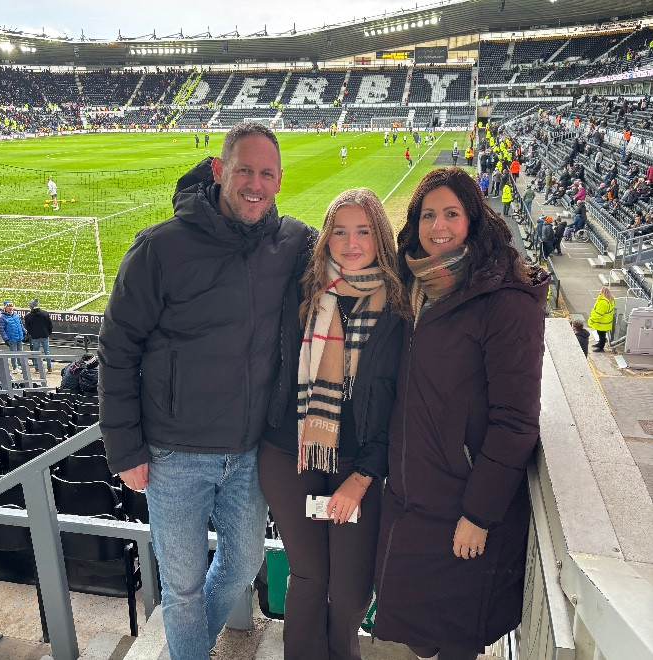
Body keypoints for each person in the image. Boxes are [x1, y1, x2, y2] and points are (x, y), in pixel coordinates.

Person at [98, 123, 315, 660]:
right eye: (245, 170)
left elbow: (355, 244)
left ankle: (187, 648)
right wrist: (124, 449)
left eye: (267, 174)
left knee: (242, 565)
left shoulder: (290, 242)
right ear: (219, 170)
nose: (255, 184)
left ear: (280, 180)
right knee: (183, 588)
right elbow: (117, 349)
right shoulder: (159, 248)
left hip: (248, 452)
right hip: (173, 456)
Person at [373, 167, 549, 660]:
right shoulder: (413, 288)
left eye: (451, 214)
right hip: (411, 499)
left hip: (462, 509)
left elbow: (516, 422)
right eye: (428, 215)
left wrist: (479, 513)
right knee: (419, 638)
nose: (439, 226)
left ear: (473, 219)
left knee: (454, 641)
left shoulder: (505, 302)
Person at [258, 188, 408, 660]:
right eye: (340, 231)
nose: (351, 243)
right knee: (308, 575)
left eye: (363, 231)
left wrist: (362, 479)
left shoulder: (398, 307)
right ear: (326, 237)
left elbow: (395, 406)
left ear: (380, 236)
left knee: (349, 590)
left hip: (356, 463)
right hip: (291, 452)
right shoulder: (302, 290)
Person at [24, 298, 53, 373]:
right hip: (45, 335)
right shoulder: (45, 313)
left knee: (35, 352)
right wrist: (48, 333)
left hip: (35, 337)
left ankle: (37, 368)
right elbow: (50, 324)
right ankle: (49, 368)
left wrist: (31, 333)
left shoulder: (28, 316)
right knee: (47, 351)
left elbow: (27, 327)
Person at [0, 300, 25, 373]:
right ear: (5, 308)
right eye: (8, 306)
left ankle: (20, 365)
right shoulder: (2, 317)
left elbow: (20, 324)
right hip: (11, 338)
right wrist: (6, 339)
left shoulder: (16, 315)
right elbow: (1, 329)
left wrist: (24, 332)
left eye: (11, 306)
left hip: (19, 337)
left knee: (20, 352)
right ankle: (14, 367)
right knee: (13, 353)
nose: (10, 308)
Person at [587, 286, 615, 353]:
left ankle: (600, 347)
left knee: (601, 335)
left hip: (601, 322)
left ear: (602, 292)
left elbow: (599, 314)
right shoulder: (611, 299)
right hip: (606, 321)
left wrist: (592, 320)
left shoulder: (603, 301)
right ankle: (600, 344)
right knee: (602, 334)